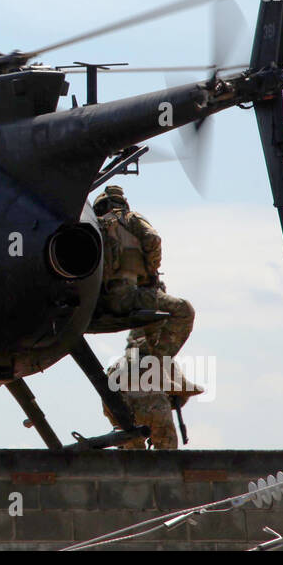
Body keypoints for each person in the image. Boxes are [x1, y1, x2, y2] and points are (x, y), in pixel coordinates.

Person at [92, 184, 197, 448]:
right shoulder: (129, 218)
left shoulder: (91, 228)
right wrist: (150, 273)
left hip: (95, 306)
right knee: (184, 310)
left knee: (132, 459)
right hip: (128, 296)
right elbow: (153, 239)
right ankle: (157, 361)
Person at [101, 348, 203, 450]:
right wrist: (172, 402)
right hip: (156, 407)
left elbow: (107, 399)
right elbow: (184, 390)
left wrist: (117, 422)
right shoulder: (165, 361)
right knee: (167, 451)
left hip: (123, 410)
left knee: (132, 454)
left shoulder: (118, 364)